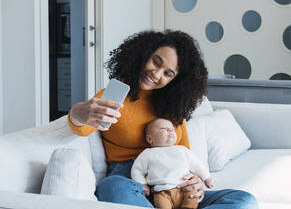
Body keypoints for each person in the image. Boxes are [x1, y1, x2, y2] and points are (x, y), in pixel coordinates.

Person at [68, 30, 258, 209]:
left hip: (175, 186)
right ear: (143, 55)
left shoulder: (174, 108)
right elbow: (81, 127)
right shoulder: (114, 97)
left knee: (244, 200)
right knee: (111, 185)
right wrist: (79, 111)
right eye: (156, 62)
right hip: (132, 184)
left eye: (168, 73)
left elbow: (184, 154)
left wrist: (197, 181)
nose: (157, 74)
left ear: (175, 80)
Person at [131, 118, 215, 209]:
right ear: (150, 139)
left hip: (185, 188)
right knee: (161, 203)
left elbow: (197, 165)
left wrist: (207, 178)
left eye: (172, 129)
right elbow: (137, 170)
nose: (170, 130)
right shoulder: (148, 154)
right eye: (163, 128)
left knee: (192, 198)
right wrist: (142, 184)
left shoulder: (182, 150)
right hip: (162, 191)